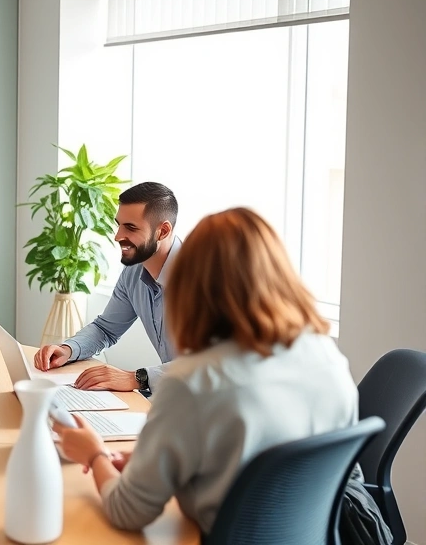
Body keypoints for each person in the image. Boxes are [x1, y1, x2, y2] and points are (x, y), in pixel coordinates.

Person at [53, 207, 358, 534]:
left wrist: (94, 453)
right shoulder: (329, 357)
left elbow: (127, 511)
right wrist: (156, 468)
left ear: (192, 282)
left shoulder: (191, 383)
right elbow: (280, 467)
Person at [34, 182, 181, 393]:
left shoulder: (202, 278)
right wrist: (68, 349)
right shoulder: (133, 274)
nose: (117, 236)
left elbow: (214, 362)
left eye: (130, 227)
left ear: (163, 231)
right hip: (174, 397)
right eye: (119, 225)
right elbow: (105, 329)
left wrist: (136, 378)